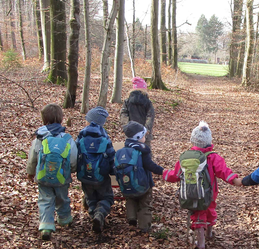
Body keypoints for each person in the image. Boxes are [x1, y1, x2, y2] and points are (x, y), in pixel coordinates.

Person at [163, 121, 239, 249]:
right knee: (210, 209)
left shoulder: (186, 157)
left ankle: (201, 241)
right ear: (209, 141)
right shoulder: (214, 157)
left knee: (198, 213)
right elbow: (224, 172)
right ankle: (209, 232)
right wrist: (235, 180)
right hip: (210, 192)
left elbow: (176, 175)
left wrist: (164, 173)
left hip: (192, 191)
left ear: (193, 140)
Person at [26, 103, 77, 241]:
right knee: (63, 198)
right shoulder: (67, 138)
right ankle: (65, 219)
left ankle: (46, 226)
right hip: (62, 177)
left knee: (45, 200)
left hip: (43, 176)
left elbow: (33, 156)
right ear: (61, 119)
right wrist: (71, 170)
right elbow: (73, 158)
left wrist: (31, 172)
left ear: (44, 120)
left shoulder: (40, 137)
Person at [117, 121, 164, 232]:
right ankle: (144, 226)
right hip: (143, 184)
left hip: (127, 184)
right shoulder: (142, 150)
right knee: (145, 204)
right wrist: (162, 171)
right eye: (143, 135)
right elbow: (150, 165)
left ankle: (131, 217)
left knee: (130, 200)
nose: (144, 138)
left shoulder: (123, 151)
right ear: (138, 137)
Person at [76, 106, 115, 234]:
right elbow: (111, 156)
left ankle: (94, 215)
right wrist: (114, 172)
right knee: (107, 198)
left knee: (90, 199)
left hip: (85, 176)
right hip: (102, 177)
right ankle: (100, 214)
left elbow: (76, 154)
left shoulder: (81, 136)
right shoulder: (104, 137)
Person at [120, 77, 155, 146]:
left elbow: (123, 114)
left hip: (131, 131)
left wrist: (126, 126)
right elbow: (150, 116)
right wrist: (146, 129)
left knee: (130, 151)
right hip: (144, 134)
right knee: (145, 152)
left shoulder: (127, 101)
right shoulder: (147, 102)